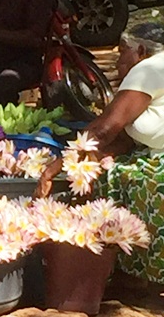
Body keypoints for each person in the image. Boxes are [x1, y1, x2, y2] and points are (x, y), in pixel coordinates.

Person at [36, 21, 164, 285]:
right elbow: (127, 137)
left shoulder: (149, 68)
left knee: (109, 178)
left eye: (122, 52)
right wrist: (92, 156)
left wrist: (60, 163)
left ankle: (117, 268)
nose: (118, 63)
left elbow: (105, 129)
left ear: (140, 50)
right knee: (103, 164)